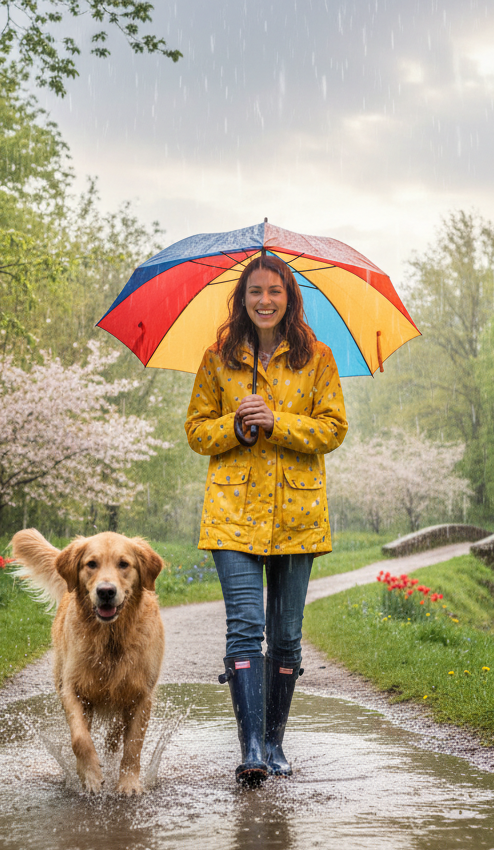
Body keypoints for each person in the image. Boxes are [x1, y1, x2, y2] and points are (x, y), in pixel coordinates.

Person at [185, 252, 348, 786]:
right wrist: (234, 426)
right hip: (232, 514)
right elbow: (195, 432)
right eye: (254, 291)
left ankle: (275, 742)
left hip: (298, 515)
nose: (264, 300)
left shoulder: (316, 358)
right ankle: (251, 747)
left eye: (274, 291)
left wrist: (277, 423)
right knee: (245, 629)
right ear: (242, 298)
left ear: (289, 296)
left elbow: (332, 429)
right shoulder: (218, 359)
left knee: (285, 637)